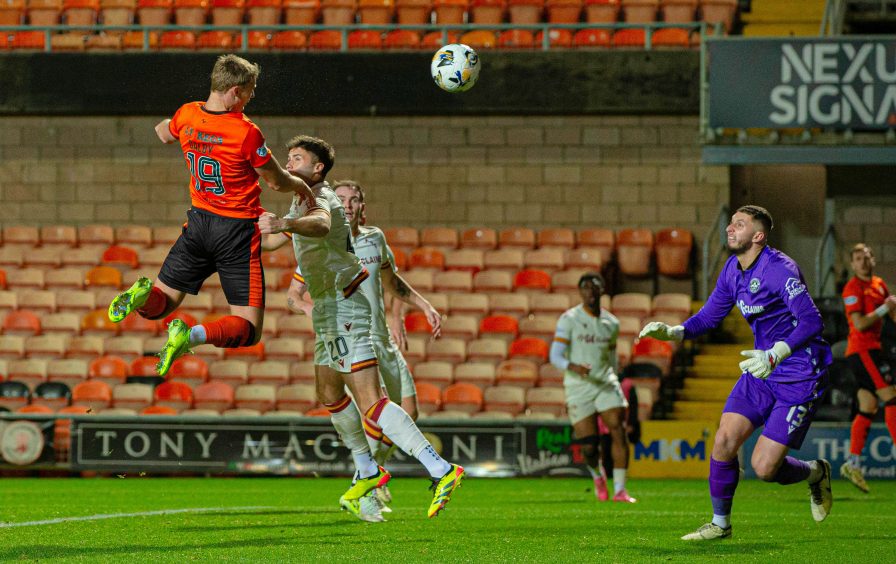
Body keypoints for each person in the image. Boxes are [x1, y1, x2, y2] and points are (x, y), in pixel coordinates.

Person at [258, 135, 463, 522]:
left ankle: (441, 470)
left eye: (296, 158)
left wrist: (284, 221)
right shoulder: (300, 199)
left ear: (317, 168)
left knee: (372, 401)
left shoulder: (324, 200)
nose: (289, 162)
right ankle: (368, 471)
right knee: (328, 390)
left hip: (345, 304)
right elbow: (271, 244)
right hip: (328, 309)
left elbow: (319, 226)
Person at [106, 54, 313, 376]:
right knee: (247, 329)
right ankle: (191, 335)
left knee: (159, 306)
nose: (252, 96)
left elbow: (163, 132)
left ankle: (141, 295)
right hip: (236, 231)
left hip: (199, 223)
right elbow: (277, 181)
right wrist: (304, 186)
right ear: (234, 92)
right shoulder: (245, 132)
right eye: (250, 90)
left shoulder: (187, 114)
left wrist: (185, 129)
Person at [640, 205, 833, 541]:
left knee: (764, 468)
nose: (730, 228)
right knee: (725, 439)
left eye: (739, 224)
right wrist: (674, 332)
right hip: (762, 368)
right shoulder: (732, 269)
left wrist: (777, 353)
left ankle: (816, 472)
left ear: (758, 236)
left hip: (799, 371)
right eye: (730, 223)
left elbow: (812, 321)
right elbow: (710, 316)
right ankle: (720, 523)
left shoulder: (780, 269)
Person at [550, 272, 636, 503]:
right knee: (589, 447)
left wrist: (614, 376)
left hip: (605, 383)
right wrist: (573, 367)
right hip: (579, 386)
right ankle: (598, 476)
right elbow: (555, 356)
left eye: (594, 287)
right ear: (580, 292)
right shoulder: (569, 319)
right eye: (585, 287)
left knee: (618, 428)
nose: (590, 291)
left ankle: (620, 490)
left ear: (601, 290)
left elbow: (611, 356)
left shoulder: (611, 323)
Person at [840, 243, 896, 493]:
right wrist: (885, 308)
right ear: (852, 264)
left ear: (873, 259)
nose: (863, 262)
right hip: (862, 350)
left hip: (874, 349)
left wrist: (890, 310)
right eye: (858, 258)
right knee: (892, 398)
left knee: (868, 406)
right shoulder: (853, 288)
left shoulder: (879, 284)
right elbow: (860, 323)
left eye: (866, 257)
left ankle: (853, 463)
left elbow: (892, 315)